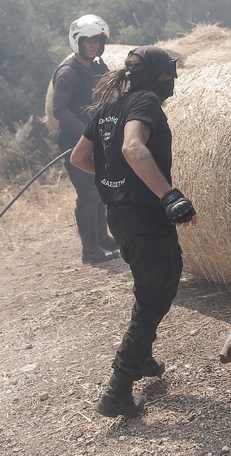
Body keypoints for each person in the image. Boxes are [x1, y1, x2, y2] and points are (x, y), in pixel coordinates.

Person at [70, 45, 196, 418]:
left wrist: (115, 181)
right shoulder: (144, 102)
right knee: (155, 293)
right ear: (160, 75)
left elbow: (79, 158)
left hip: (119, 216)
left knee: (157, 283)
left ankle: (142, 358)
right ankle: (118, 388)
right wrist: (169, 195)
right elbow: (132, 146)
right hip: (144, 215)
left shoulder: (108, 108)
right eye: (170, 72)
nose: (173, 78)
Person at [51, 14, 119, 264]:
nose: (93, 45)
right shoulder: (68, 73)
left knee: (99, 189)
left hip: (95, 139)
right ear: (78, 42)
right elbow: (59, 109)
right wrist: (85, 132)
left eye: (97, 41)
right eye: (88, 40)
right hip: (73, 141)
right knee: (88, 192)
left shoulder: (97, 68)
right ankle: (89, 250)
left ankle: (102, 238)